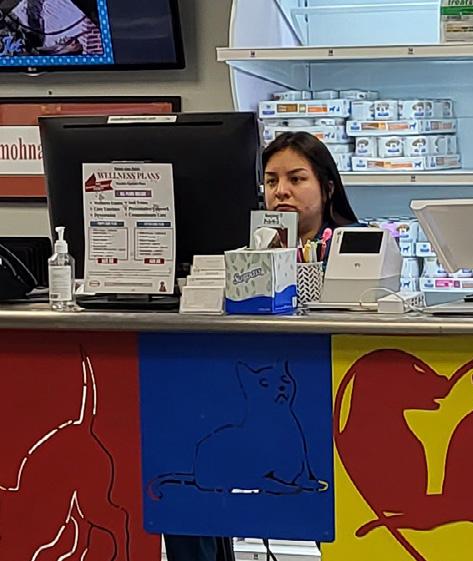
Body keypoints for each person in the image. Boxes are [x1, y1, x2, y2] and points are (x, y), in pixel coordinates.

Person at [164, 131, 358, 561]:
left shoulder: (353, 245)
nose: (281, 192)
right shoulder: (244, 251)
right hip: (251, 389)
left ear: (327, 188)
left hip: (328, 393)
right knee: (178, 442)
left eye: (296, 179)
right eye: (271, 181)